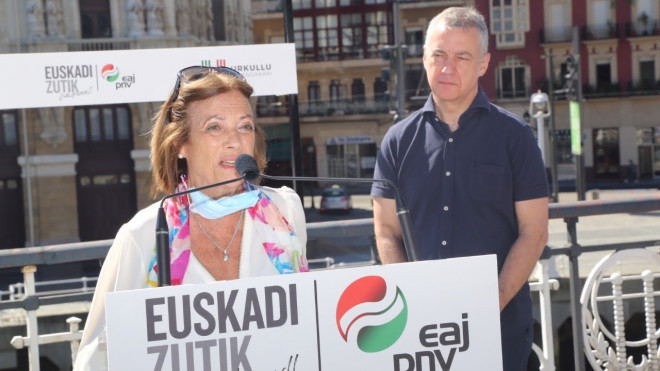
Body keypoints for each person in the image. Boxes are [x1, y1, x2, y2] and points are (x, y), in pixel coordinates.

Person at [74, 66, 309, 370]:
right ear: (180, 144)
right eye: (215, 127)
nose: (235, 141)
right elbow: (96, 359)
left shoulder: (286, 211)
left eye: (245, 126)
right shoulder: (144, 234)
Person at [370, 7, 548, 370]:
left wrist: (489, 303)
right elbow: (386, 231)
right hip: (420, 336)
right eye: (438, 55)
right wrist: (412, 301)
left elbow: (534, 232)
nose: (447, 67)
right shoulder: (397, 142)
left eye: (461, 57)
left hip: (500, 330)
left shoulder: (516, 138)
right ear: (424, 58)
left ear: (483, 63)